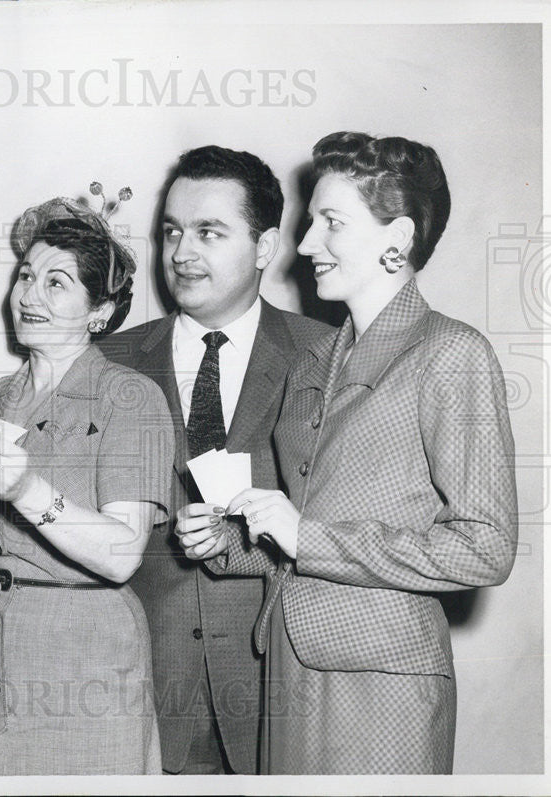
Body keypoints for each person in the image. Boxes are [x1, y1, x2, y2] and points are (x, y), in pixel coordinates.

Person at [177, 131, 518, 774]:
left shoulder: (452, 355)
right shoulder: (311, 363)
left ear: (398, 238)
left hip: (380, 683)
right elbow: (295, 531)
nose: (305, 246)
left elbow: (485, 546)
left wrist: (310, 538)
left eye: (331, 223)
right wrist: (226, 540)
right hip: (286, 667)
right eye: (310, 224)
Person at [98, 146, 331, 774]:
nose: (180, 253)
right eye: (171, 231)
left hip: (280, 692)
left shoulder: (329, 357)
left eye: (208, 231)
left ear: (264, 247)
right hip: (141, 693)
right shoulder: (105, 364)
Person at [0, 192, 175, 775]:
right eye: (25, 276)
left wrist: (28, 492)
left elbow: (122, 555)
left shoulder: (133, 399)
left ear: (100, 311)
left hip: (90, 666)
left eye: (57, 283)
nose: (29, 296)